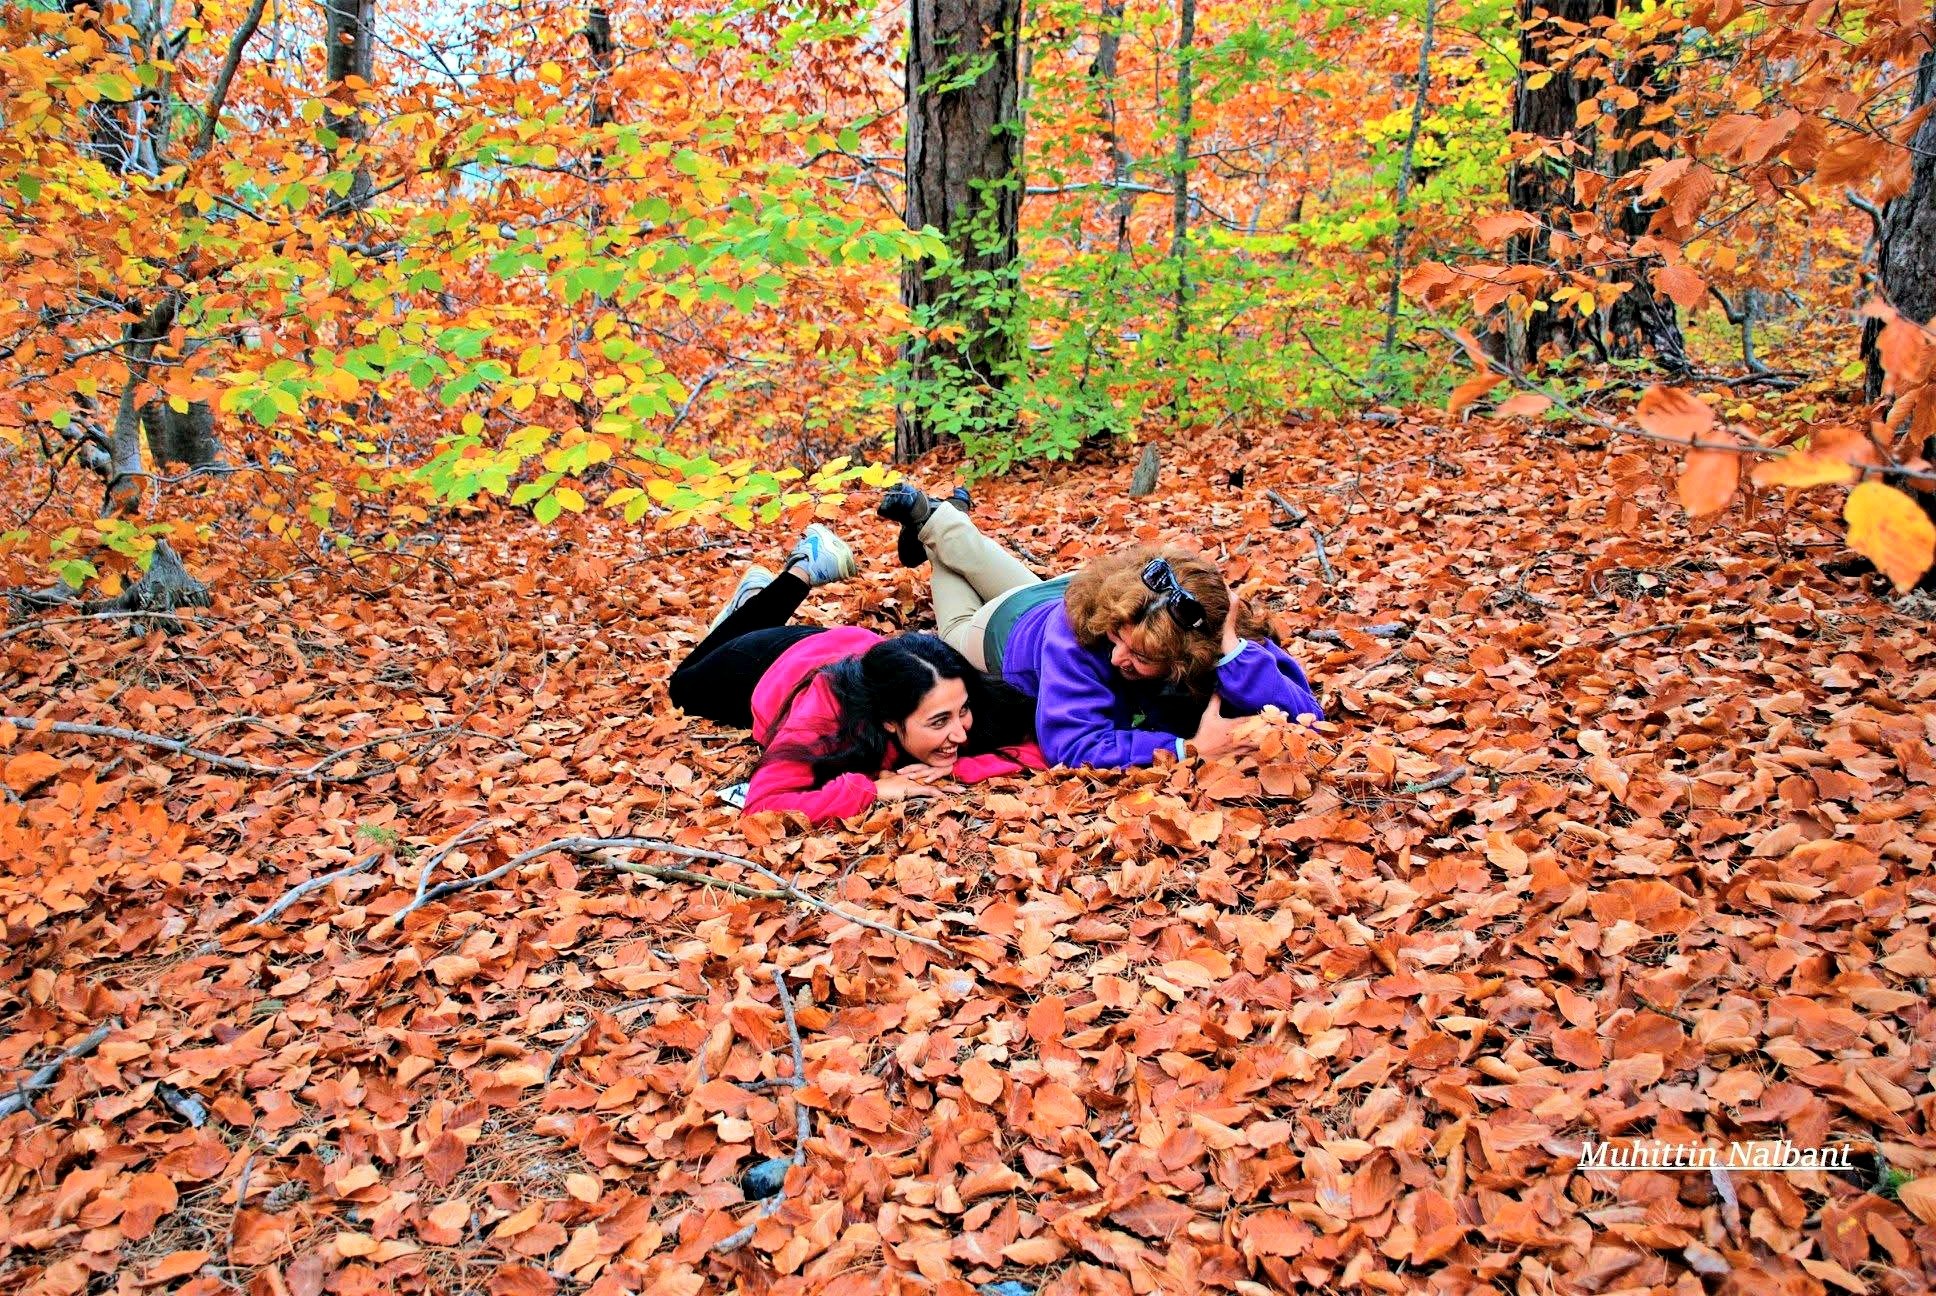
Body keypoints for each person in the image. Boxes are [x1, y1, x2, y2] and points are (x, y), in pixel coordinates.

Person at [878, 485, 1323, 768]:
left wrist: (1232, 652)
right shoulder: (1086, 631)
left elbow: (1307, 716)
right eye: (1116, 640)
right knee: (954, 622)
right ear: (1113, 617)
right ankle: (932, 533)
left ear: (1194, 653)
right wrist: (1188, 749)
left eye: (1141, 656)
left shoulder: (1215, 625)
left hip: (1056, 593)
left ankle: (940, 518)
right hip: (1005, 630)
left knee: (976, 566)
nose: (1116, 658)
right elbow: (1069, 745)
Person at [669, 524, 1044, 823]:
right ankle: (802, 570)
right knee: (683, 685)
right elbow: (764, 805)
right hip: (765, 665)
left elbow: (1048, 743)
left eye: (962, 711)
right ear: (889, 721)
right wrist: (872, 790)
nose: (960, 732)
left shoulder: (949, 692)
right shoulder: (824, 720)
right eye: (939, 722)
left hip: (850, 650)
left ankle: (754, 603)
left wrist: (956, 767)